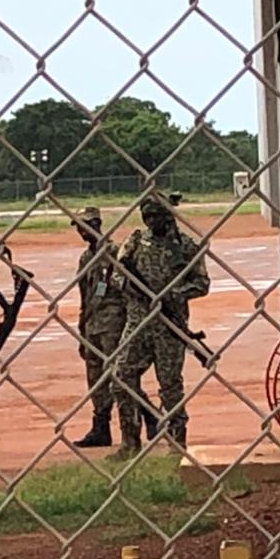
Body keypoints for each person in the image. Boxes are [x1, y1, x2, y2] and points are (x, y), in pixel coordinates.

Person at [111, 195, 211, 457]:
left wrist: (174, 294)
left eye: (156, 216)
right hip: (137, 324)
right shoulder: (135, 242)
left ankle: (177, 444)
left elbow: (202, 284)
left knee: (170, 387)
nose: (152, 221)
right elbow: (116, 273)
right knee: (121, 377)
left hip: (169, 328)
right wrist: (131, 287)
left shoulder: (186, 247)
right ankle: (130, 442)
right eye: (148, 217)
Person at [71, 206, 125, 448]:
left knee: (118, 374)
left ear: (96, 224)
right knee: (94, 377)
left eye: (85, 226)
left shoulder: (114, 252)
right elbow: (84, 294)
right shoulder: (85, 258)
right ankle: (101, 426)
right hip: (92, 323)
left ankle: (145, 417)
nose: (82, 231)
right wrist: (82, 327)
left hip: (113, 322)